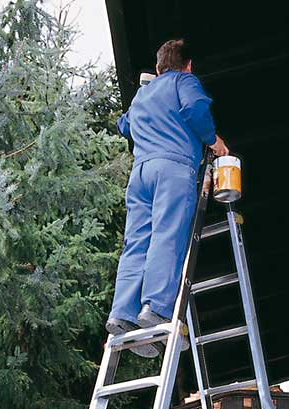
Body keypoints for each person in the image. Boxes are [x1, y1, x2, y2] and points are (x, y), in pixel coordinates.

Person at [107, 38, 229, 357]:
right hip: (173, 168)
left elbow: (125, 126)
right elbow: (194, 109)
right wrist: (213, 140)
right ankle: (156, 309)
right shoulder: (184, 81)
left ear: (159, 67)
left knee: (137, 242)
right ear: (188, 65)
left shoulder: (144, 94)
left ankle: (123, 313)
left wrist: (146, 91)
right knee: (167, 236)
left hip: (141, 173)